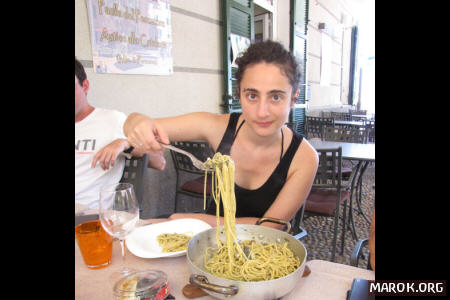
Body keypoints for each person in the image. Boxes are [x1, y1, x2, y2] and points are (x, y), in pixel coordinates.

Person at [123, 41, 318, 229]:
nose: (262, 112)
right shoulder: (218, 127)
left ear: (293, 99)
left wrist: (192, 220)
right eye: (252, 96)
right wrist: (137, 123)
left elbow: (269, 226)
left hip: (263, 250)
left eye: (276, 97)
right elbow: (136, 123)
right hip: (209, 242)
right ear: (239, 94)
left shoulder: (304, 158)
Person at [75, 57, 166, 210]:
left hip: (87, 214)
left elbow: (159, 162)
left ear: (85, 86)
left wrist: (124, 143)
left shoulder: (112, 120)